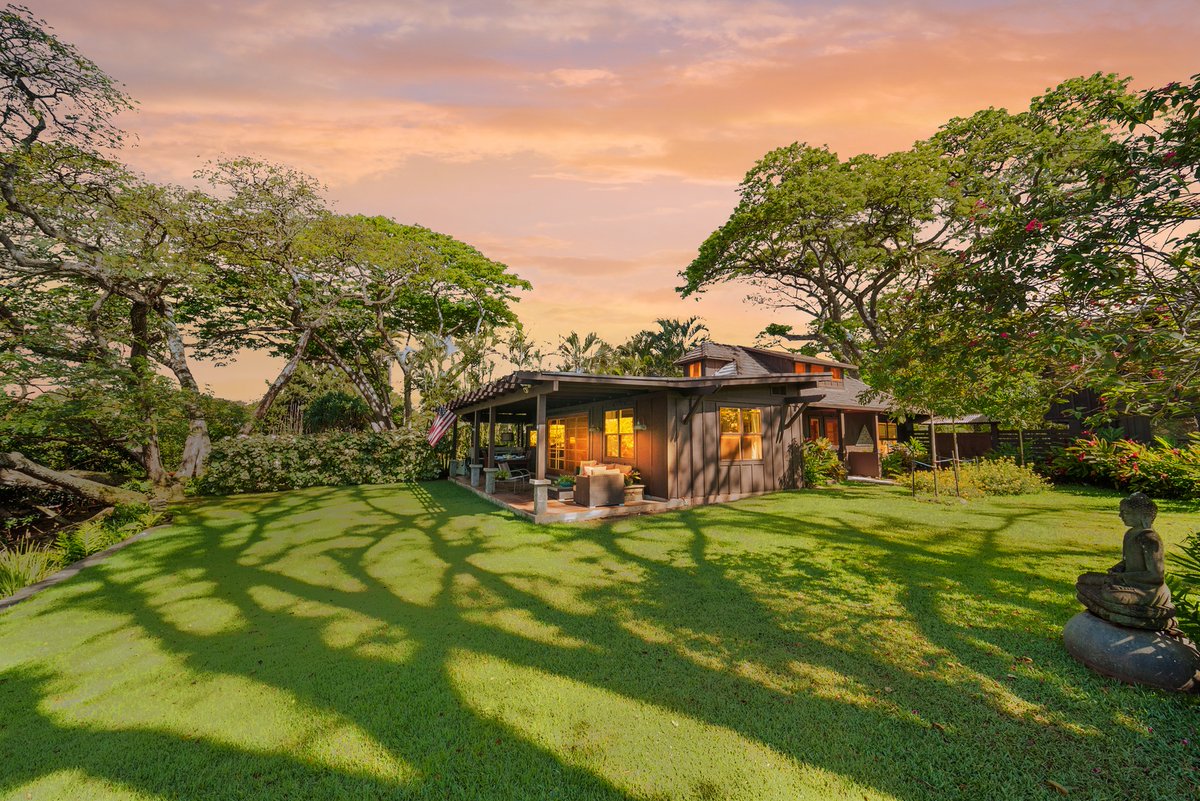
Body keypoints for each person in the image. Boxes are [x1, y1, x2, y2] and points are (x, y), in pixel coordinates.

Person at [1076, 492, 1178, 631]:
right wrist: (1119, 568)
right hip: (1125, 580)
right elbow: (1128, 561)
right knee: (1084, 579)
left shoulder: (1150, 539)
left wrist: (1122, 577)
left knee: (1109, 594)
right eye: (1121, 512)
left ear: (1143, 516)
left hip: (1147, 589)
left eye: (1126, 512)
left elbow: (1156, 577)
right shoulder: (1130, 534)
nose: (1120, 516)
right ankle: (1112, 592)